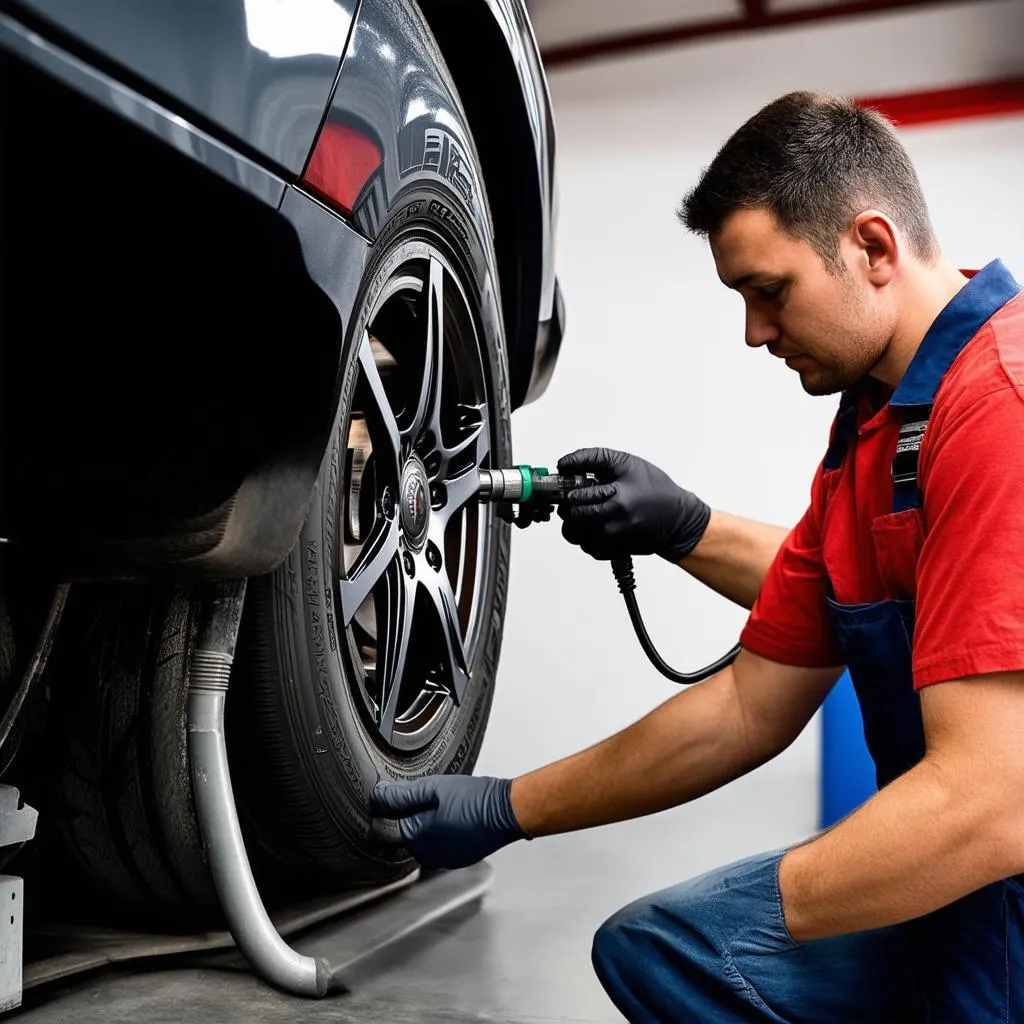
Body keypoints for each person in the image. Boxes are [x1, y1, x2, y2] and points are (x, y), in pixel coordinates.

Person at [371, 90, 1024, 1022]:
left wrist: (773, 909)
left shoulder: (998, 404)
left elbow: (993, 799)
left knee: (717, 945)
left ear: (874, 249)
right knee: (661, 949)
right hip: (959, 879)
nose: (755, 333)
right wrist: (506, 808)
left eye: (769, 291)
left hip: (1000, 886)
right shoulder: (874, 428)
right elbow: (747, 705)